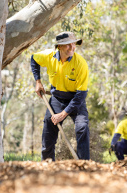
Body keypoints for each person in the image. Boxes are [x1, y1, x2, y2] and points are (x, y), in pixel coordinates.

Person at [31, 31, 90, 161]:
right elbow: (33, 58)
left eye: (73, 44)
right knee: (49, 124)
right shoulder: (48, 56)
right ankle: (47, 163)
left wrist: (63, 114)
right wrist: (38, 82)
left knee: (82, 127)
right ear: (59, 47)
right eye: (68, 45)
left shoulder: (81, 63)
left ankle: (84, 165)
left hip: (75, 99)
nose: (72, 47)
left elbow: (81, 94)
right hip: (57, 97)